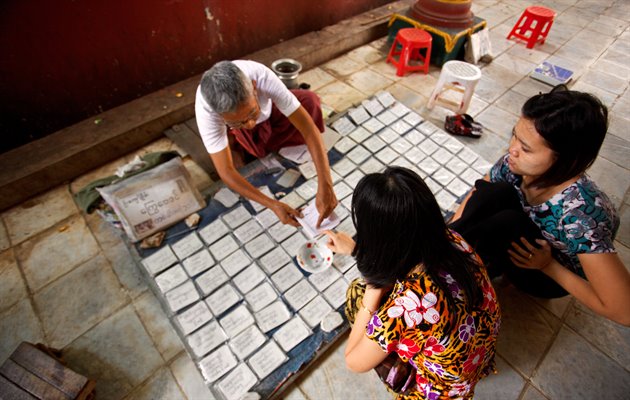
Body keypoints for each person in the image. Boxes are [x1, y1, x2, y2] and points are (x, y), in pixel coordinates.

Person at [450, 85, 630, 326]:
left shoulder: (581, 216)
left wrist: (549, 266)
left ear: (566, 160)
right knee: (494, 193)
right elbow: (480, 192)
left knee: (504, 224)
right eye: (514, 135)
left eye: (526, 148)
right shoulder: (515, 163)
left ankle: (454, 284)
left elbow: (624, 311)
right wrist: (452, 232)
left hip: (545, 270)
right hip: (527, 240)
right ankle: (442, 254)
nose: (512, 149)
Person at [324, 167, 500, 399]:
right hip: (477, 354)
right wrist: (357, 251)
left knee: (357, 294)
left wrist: (372, 291)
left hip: (445, 389)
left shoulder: (407, 307)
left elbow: (353, 362)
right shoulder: (452, 239)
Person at [195, 60, 337, 227]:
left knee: (310, 101)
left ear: (254, 88)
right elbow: (226, 171)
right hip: (250, 130)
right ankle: (245, 133)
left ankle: (256, 128)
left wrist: (326, 184)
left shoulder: (261, 76)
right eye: (237, 122)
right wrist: (273, 204)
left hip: (270, 113)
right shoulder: (207, 111)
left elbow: (308, 128)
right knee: (256, 145)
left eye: (252, 112)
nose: (250, 124)